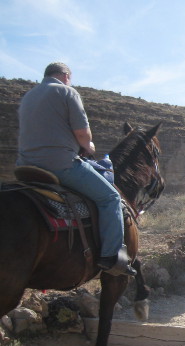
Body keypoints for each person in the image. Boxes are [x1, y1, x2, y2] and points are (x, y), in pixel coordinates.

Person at [16, 62, 136, 276]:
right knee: (110, 198)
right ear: (66, 76)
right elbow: (83, 135)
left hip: (24, 166)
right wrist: (88, 146)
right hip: (60, 164)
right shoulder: (67, 92)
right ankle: (111, 257)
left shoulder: (28, 97)